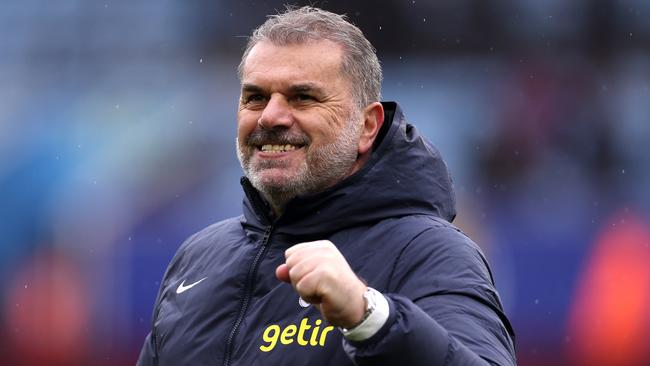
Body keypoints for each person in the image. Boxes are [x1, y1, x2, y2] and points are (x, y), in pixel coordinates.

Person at [138, 6, 516, 366]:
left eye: (303, 97)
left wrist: (369, 317)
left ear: (367, 126)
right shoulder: (196, 258)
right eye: (255, 97)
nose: (270, 116)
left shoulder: (428, 252)